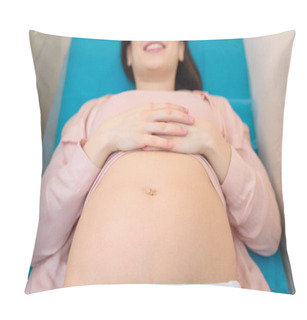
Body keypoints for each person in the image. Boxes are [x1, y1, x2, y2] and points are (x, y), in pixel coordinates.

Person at [25, 41, 281, 294]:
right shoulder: (94, 111)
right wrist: (103, 141)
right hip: (93, 296)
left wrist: (214, 145)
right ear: (128, 55)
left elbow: (268, 236)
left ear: (181, 50)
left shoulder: (217, 109)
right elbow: (35, 239)